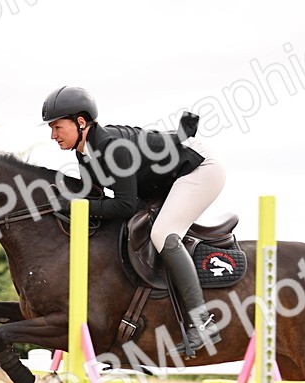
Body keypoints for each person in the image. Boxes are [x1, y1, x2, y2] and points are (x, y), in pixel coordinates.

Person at [41, 85, 224, 357]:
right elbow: (94, 197)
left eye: (57, 127)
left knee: (163, 233)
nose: (53, 135)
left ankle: (203, 322)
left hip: (199, 168)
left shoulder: (113, 148)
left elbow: (124, 205)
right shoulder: (84, 152)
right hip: (162, 180)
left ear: (80, 122)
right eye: (51, 128)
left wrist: (73, 205)